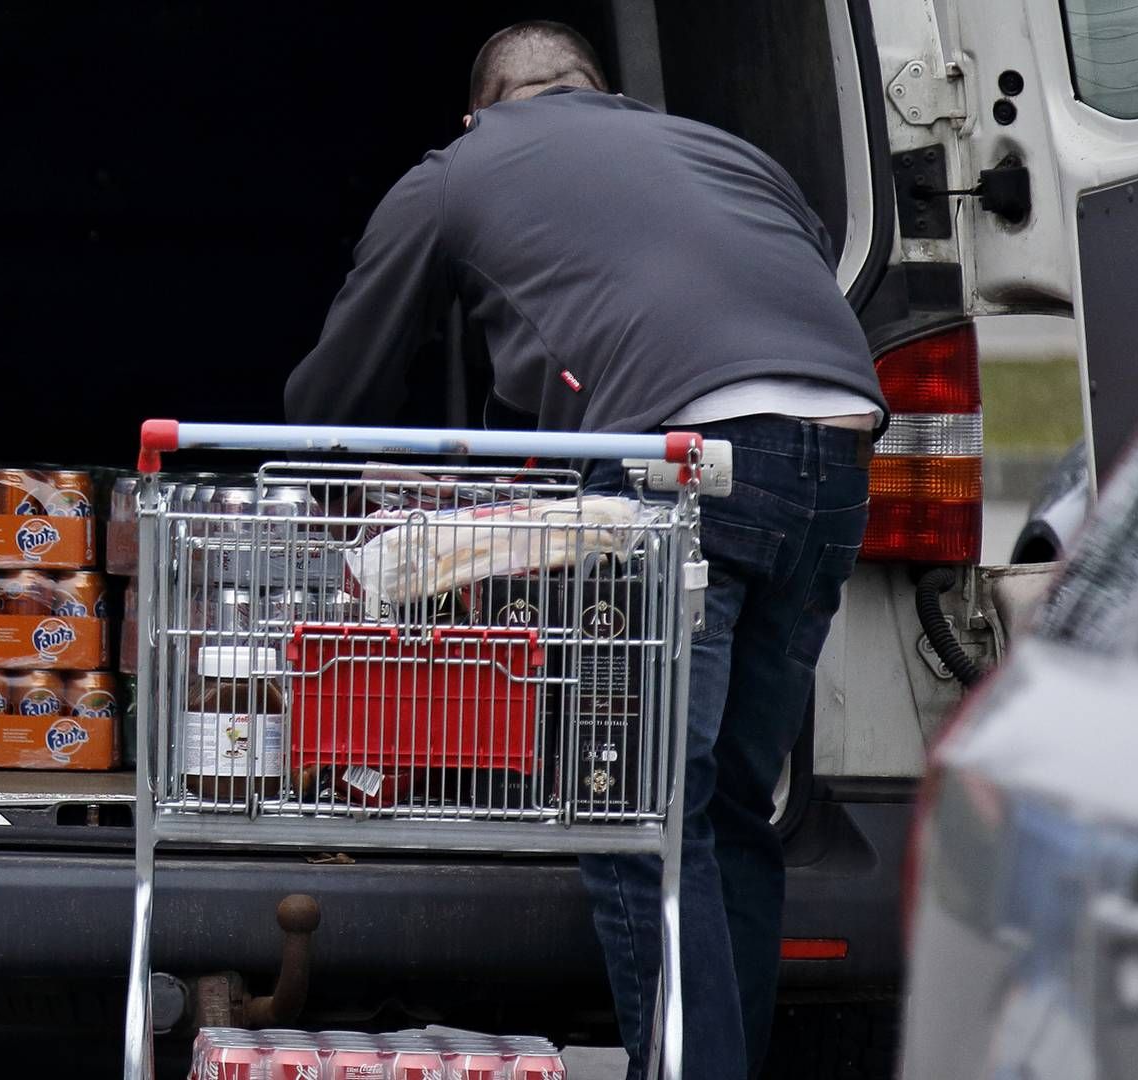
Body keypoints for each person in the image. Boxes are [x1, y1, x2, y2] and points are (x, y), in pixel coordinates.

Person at [284, 20, 884, 1080]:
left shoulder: (458, 171)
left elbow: (339, 389)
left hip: (681, 467)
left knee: (635, 810)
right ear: (601, 94)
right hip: (836, 457)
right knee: (732, 810)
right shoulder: (721, 151)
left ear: (481, 112)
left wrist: (327, 458)